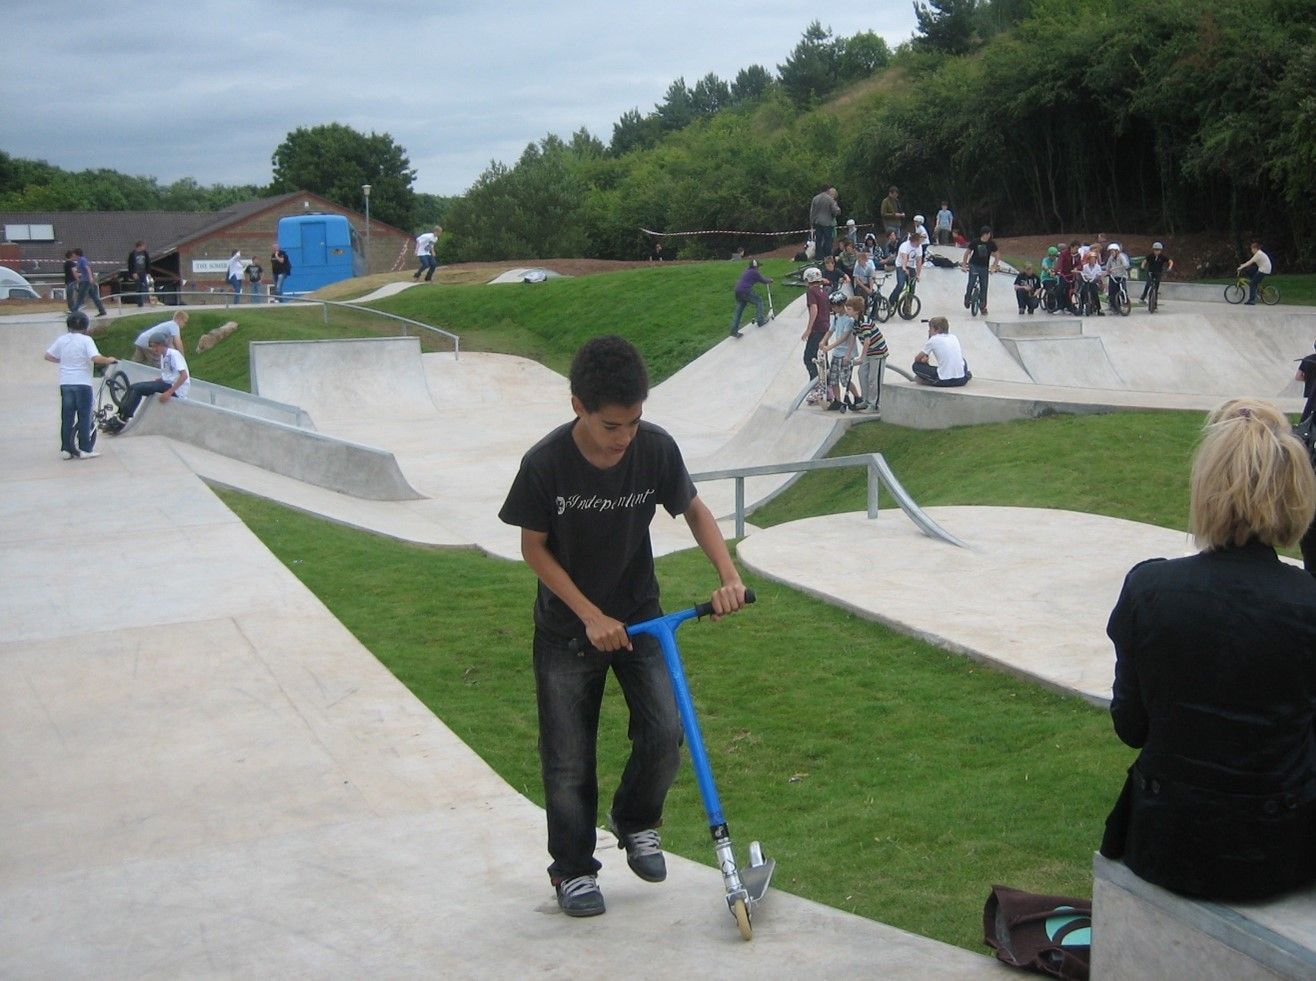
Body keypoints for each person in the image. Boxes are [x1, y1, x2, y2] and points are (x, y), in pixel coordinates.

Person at [497, 335, 746, 919]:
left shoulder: (654, 449)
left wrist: (728, 573)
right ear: (577, 406)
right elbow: (533, 548)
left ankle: (635, 821)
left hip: (642, 620)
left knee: (664, 734)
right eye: (613, 426)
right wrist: (589, 615)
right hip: (567, 630)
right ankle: (575, 870)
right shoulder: (545, 463)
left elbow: (694, 509)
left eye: (635, 421)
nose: (625, 437)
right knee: (567, 758)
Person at [1100, 397, 1316, 902]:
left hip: (1164, 842)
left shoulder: (1149, 588)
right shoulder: (1308, 604)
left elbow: (1132, 728)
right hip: (1281, 852)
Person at [44, 312, 118, 460]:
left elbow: (48, 356)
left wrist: (64, 361)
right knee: (85, 416)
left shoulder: (62, 339)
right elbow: (95, 358)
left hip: (66, 383)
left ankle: (66, 449)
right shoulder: (86, 340)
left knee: (67, 417)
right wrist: (109, 360)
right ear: (85, 326)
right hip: (82, 384)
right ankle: (85, 448)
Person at [102, 332, 190, 433]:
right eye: (152, 347)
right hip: (166, 384)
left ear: (162, 344)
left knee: (138, 389)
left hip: (177, 389)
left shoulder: (173, 354)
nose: (154, 350)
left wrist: (169, 393)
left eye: (156, 346)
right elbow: (170, 373)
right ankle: (120, 414)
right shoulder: (163, 356)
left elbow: (184, 376)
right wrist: (160, 379)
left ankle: (123, 419)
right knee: (133, 387)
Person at [820, 291, 858, 411]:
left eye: (833, 306)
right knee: (833, 378)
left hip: (846, 353)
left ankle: (857, 397)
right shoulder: (836, 317)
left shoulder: (849, 319)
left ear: (841, 306)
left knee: (845, 379)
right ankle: (838, 400)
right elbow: (831, 331)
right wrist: (823, 340)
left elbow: (845, 337)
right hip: (837, 353)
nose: (832, 309)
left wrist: (829, 347)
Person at [852, 303, 889, 414]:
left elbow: (867, 340)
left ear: (857, 311)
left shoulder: (864, 322)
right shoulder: (856, 322)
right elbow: (852, 338)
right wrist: (849, 354)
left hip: (878, 352)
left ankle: (875, 405)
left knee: (874, 379)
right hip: (869, 352)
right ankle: (866, 400)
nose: (846, 310)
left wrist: (861, 358)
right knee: (862, 373)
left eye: (849, 308)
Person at [913, 316, 971, 387]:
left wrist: (923, 362)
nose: (929, 331)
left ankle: (930, 381)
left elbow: (917, 359)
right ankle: (965, 374)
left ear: (936, 329)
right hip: (962, 380)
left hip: (944, 381)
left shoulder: (933, 340)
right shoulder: (954, 337)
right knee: (963, 360)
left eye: (930, 329)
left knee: (916, 366)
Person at [728, 259, 773, 338]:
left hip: (737, 291)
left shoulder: (746, 271)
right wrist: (770, 280)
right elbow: (763, 280)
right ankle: (760, 321)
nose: (759, 268)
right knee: (759, 301)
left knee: (739, 310)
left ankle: (733, 330)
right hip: (745, 291)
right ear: (755, 267)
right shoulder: (754, 272)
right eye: (758, 266)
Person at [961, 226, 1000, 315]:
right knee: (971, 282)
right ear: (985, 234)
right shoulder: (975, 242)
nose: (990, 235)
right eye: (989, 234)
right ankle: (967, 298)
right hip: (974, 265)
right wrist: (964, 264)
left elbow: (997, 254)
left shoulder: (991, 243)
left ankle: (983, 305)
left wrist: (994, 266)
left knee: (984, 286)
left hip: (984, 267)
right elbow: (967, 252)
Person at [801, 267, 831, 384]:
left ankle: (815, 385)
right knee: (823, 358)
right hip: (826, 328)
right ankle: (828, 386)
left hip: (817, 329)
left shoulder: (811, 292)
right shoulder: (823, 292)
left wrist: (808, 329)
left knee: (808, 358)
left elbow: (814, 309)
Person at [889, 229, 924, 307]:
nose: (920, 243)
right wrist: (904, 268)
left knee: (912, 289)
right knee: (901, 285)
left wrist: (918, 275)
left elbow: (919, 261)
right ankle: (891, 301)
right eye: (919, 242)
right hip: (900, 265)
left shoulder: (919, 247)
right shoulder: (904, 246)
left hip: (911, 267)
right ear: (914, 241)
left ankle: (907, 307)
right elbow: (904, 259)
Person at [72, 248, 107, 318]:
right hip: (84, 280)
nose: (73, 256)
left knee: (80, 297)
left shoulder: (82, 259)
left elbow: (87, 268)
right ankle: (102, 311)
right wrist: (78, 275)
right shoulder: (79, 261)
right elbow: (83, 271)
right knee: (94, 296)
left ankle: (73, 312)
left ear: (76, 254)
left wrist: (90, 277)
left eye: (74, 254)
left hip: (86, 281)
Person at [809, 186, 840, 260]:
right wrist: (837, 212)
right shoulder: (829, 199)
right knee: (827, 240)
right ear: (827, 190)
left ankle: (819, 256)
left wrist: (811, 222)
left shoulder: (815, 198)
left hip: (817, 222)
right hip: (827, 223)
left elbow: (812, 211)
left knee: (818, 240)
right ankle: (827, 255)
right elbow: (834, 211)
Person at [1238, 240, 1272, 305]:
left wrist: (1241, 267)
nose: (1251, 251)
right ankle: (1254, 282)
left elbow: (1250, 262)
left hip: (1264, 270)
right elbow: (1249, 262)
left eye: (1252, 249)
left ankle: (1252, 300)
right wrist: (1243, 265)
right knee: (1249, 270)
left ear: (1255, 249)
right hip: (1262, 268)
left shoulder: (1258, 254)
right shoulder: (1259, 253)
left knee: (1252, 284)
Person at [1079, 247, 1105, 315]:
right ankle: (1081, 308)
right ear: (1088, 259)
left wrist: (1097, 278)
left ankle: (1099, 309)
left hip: (1093, 282)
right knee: (1083, 292)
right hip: (1086, 282)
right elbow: (1082, 273)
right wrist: (1085, 277)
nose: (1092, 260)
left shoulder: (1098, 267)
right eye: (1091, 259)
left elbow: (1099, 275)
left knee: (1095, 294)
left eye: (1094, 259)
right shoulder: (1085, 266)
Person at [1056, 241, 1081, 314]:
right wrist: (1057, 270)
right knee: (1060, 290)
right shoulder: (1064, 253)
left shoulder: (1078, 255)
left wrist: (1077, 268)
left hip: (1072, 275)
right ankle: (1060, 307)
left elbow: (1079, 264)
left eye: (1078, 249)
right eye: (1076, 248)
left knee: (1069, 291)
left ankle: (1068, 306)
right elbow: (1060, 263)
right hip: (1064, 274)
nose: (1077, 250)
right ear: (1072, 247)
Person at [1104, 243, 1130, 313]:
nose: (1111, 253)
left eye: (1112, 252)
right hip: (1114, 277)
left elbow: (1126, 265)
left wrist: (1116, 268)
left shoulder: (1121, 257)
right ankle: (1113, 307)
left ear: (1117, 251)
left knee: (1123, 290)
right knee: (1112, 292)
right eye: (1110, 252)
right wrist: (1108, 272)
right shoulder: (1110, 258)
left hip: (1122, 276)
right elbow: (1107, 267)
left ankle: (1125, 303)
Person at [126, 240, 150, 307]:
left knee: (145, 286)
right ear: (139, 246)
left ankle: (144, 300)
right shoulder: (133, 254)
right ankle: (140, 303)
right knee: (138, 287)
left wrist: (148, 272)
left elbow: (148, 263)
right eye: (143, 246)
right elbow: (130, 265)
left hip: (143, 272)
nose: (144, 247)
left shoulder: (145, 253)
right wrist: (133, 273)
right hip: (136, 273)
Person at [1298, 341, 1316, 423]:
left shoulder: (1307, 359)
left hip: (1310, 392)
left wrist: (1308, 380)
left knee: (1308, 416)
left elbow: (1298, 377)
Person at [1040, 246, 1060, 310]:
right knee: (1050, 290)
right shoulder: (1045, 260)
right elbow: (1044, 266)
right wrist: (1048, 270)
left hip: (1054, 279)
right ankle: (1050, 306)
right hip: (1046, 278)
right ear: (1049, 255)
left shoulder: (1056, 260)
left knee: (1059, 289)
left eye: (1055, 256)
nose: (1054, 257)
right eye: (1053, 256)